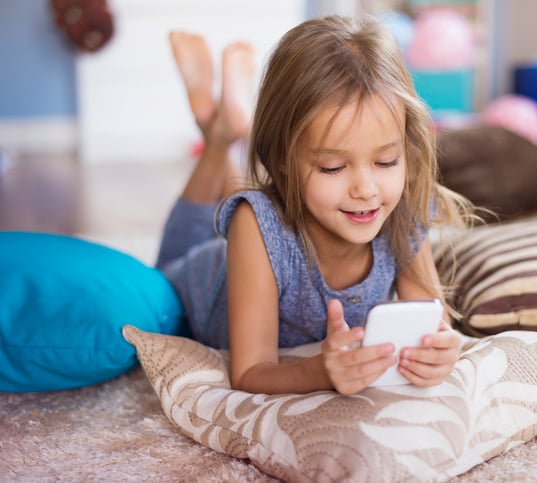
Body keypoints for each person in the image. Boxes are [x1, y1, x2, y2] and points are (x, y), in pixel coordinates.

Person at [158, 15, 476, 396]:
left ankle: (222, 128)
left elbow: (436, 329)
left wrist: (442, 351)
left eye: (386, 161)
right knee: (178, 253)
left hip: (255, 234)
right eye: (333, 167)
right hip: (191, 283)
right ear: (282, 161)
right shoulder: (255, 224)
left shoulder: (402, 214)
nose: (366, 189)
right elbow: (250, 373)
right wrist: (320, 372)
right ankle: (218, 138)